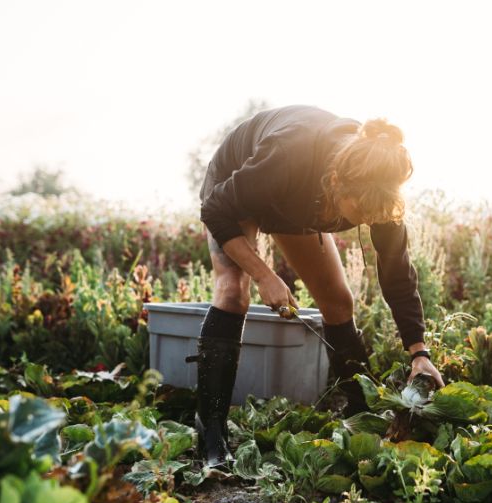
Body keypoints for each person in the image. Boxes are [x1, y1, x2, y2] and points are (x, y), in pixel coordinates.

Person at [190, 104, 444, 466]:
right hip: (238, 184)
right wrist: (264, 275)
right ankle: (211, 431)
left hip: (298, 203)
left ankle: (361, 416)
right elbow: (215, 210)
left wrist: (419, 353)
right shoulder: (287, 156)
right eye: (359, 215)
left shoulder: (378, 191)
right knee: (234, 290)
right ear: (337, 182)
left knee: (339, 302)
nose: (366, 221)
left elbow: (397, 273)